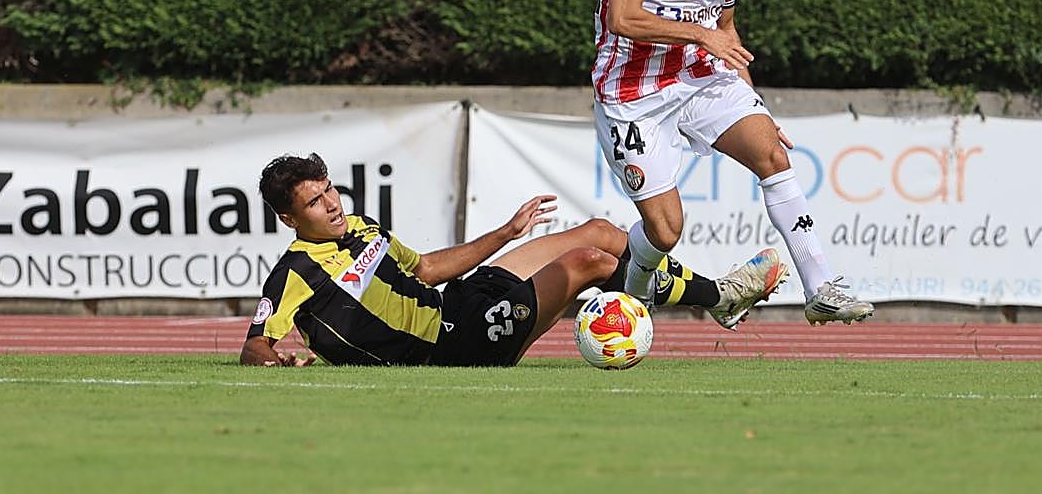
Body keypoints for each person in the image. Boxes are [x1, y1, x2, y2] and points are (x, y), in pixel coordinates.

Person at [591, 0, 873, 326]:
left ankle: (820, 288)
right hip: (632, 92)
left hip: (698, 79)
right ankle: (635, 294)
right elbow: (623, 18)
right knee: (665, 231)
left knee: (772, 153)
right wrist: (702, 36)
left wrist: (753, 104)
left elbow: (726, 32)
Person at [240, 152, 787, 367]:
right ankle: (720, 296)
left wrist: (506, 232)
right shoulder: (296, 272)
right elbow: (255, 345)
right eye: (314, 203)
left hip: (456, 304)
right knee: (589, 261)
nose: (332, 204)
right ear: (289, 219)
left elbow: (427, 269)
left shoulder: (361, 226)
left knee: (602, 232)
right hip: (450, 349)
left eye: (330, 191)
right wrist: (276, 360)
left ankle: (716, 299)